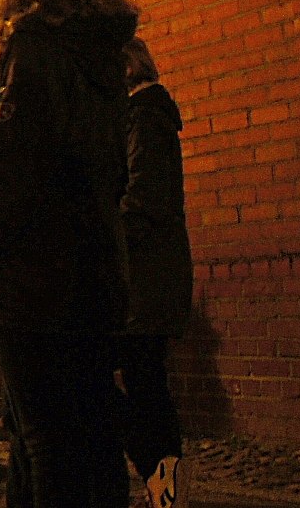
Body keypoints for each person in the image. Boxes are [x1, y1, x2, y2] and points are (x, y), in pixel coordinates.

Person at [0, 0, 136, 506]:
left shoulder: (32, 52)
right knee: (90, 432)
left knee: (44, 441)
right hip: (91, 266)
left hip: (31, 276)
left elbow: (7, 170)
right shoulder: (97, 50)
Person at [117, 37, 194, 508]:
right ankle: (165, 489)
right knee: (144, 385)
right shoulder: (142, 118)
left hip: (142, 279)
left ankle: (167, 490)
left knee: (141, 387)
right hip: (143, 277)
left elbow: (144, 198)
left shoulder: (144, 119)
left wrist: (100, 231)